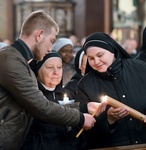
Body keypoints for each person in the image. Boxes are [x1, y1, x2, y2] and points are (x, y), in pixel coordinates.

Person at [0, 11, 106, 150]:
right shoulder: (11, 60)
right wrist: (80, 118)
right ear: (39, 35)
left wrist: (83, 108)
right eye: (51, 40)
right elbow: (40, 106)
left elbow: (43, 104)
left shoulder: (20, 60)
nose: (50, 48)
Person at [76, 32, 146, 149]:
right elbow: (85, 131)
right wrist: (109, 120)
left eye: (100, 55)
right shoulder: (85, 85)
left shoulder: (140, 68)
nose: (96, 61)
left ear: (112, 49)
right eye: (91, 58)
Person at [21, 52, 86, 150]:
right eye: (50, 67)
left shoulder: (66, 94)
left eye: (59, 67)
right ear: (38, 71)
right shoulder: (32, 96)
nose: (56, 72)